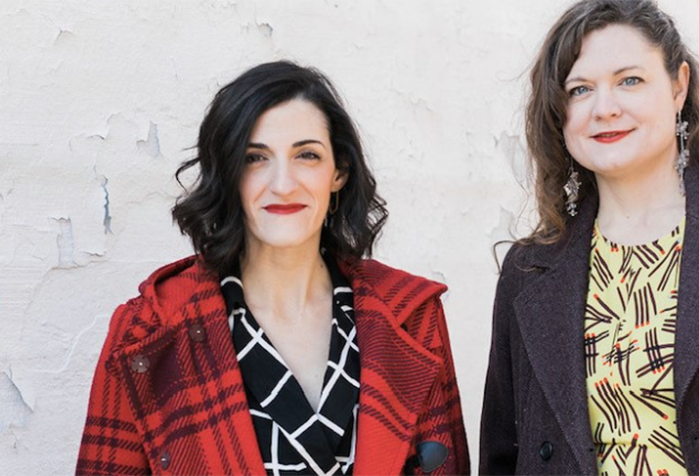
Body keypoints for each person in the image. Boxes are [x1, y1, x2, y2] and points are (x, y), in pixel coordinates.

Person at [480, 0, 699, 474]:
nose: (605, 108)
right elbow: (503, 454)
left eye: (630, 80)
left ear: (678, 86)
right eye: (580, 89)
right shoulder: (528, 271)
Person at [76, 61, 469, 476]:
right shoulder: (150, 331)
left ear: (339, 172)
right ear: (227, 173)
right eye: (255, 158)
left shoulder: (409, 317)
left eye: (307, 155)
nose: (283, 183)